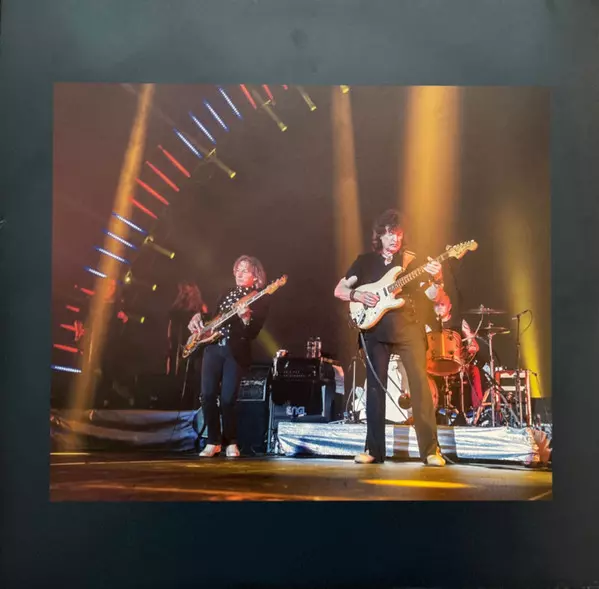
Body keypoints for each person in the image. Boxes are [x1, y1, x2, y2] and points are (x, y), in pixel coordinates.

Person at [334, 209, 447, 466]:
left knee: (420, 387)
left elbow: (434, 296)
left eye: (397, 233)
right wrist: (357, 295)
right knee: (375, 389)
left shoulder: (413, 262)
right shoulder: (364, 262)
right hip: (375, 330)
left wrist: (438, 278)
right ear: (379, 236)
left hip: (409, 327)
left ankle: (431, 451)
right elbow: (339, 289)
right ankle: (374, 450)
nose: (394, 238)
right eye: (388, 234)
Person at [188, 255, 269, 458]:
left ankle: (231, 441)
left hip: (234, 352)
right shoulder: (225, 293)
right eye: (237, 270)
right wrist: (199, 316)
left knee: (227, 399)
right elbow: (214, 317)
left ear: (256, 276)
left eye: (245, 270)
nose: (239, 274)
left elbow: (252, 333)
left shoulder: (259, 298)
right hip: (213, 348)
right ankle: (213, 441)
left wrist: (246, 318)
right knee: (207, 395)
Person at [431, 295, 484, 410]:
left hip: (457, 364)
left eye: (442, 304)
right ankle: (429, 409)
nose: (439, 307)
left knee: (474, 371)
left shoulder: (459, 323)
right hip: (434, 365)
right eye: (436, 305)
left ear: (450, 307)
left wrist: (468, 349)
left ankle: (478, 409)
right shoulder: (429, 325)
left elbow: (474, 345)